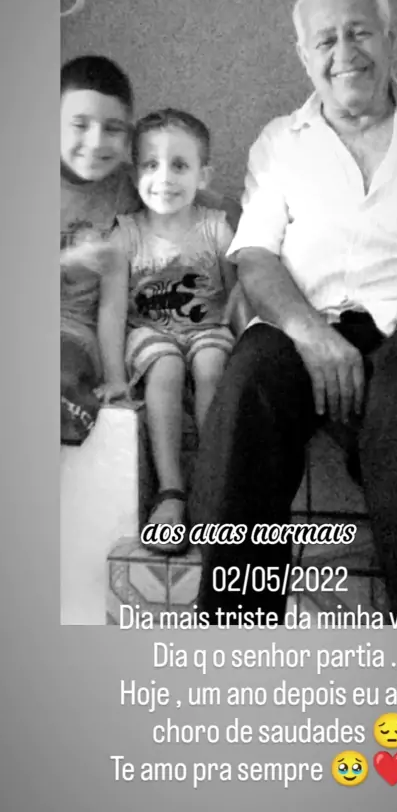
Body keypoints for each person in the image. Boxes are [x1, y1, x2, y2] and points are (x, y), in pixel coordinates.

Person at [189, 0, 397, 622]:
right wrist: (310, 334)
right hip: (307, 320)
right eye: (325, 40)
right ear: (304, 55)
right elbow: (256, 256)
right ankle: (233, 632)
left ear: (390, 37)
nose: (344, 52)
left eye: (359, 32)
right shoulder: (280, 141)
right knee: (249, 382)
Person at [102, 109, 242, 551]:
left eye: (179, 165)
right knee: (165, 366)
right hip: (148, 333)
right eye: (150, 164)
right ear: (134, 174)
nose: (164, 178)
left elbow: (238, 297)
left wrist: (244, 348)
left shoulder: (216, 229)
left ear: (203, 175)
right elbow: (112, 310)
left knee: (212, 362)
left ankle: (213, 486)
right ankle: (171, 491)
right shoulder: (124, 235)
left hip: (209, 329)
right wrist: (114, 377)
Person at [61, 55, 139, 444]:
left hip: (72, 337)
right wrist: (65, 264)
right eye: (80, 125)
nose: (95, 142)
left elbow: (113, 301)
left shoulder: (128, 188)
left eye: (112, 129)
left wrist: (115, 378)